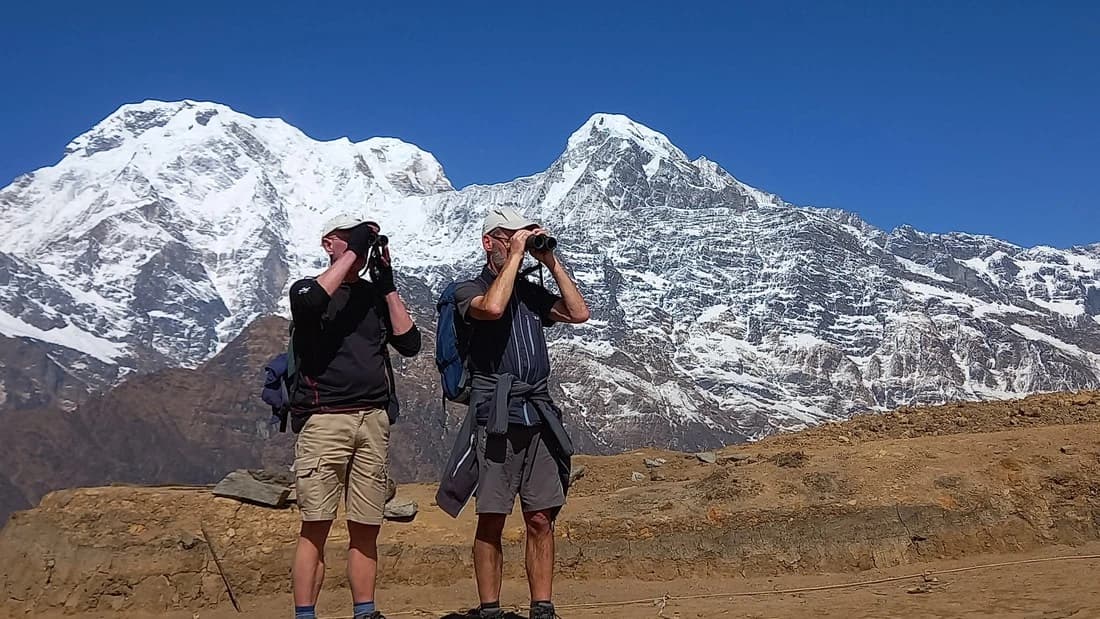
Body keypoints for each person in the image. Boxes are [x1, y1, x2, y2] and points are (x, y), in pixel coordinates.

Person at [437, 206, 591, 619]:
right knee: (492, 516)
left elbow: (579, 313)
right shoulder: (465, 289)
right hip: (496, 415)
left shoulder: (529, 290)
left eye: (523, 234)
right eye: (509, 236)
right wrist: (516, 259)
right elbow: (492, 308)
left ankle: (542, 607)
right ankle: (490, 609)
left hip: (537, 415)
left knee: (541, 516)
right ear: (489, 242)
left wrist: (550, 261)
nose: (517, 242)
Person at [287, 214, 421, 619]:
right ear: (328, 244)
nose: (359, 246)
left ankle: (365, 611)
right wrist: (352, 252)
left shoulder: (372, 297)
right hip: (325, 419)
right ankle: (305, 614)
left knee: (366, 524)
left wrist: (387, 286)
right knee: (316, 524)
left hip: (373, 419)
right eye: (348, 238)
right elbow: (311, 304)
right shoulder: (307, 290)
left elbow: (410, 343)